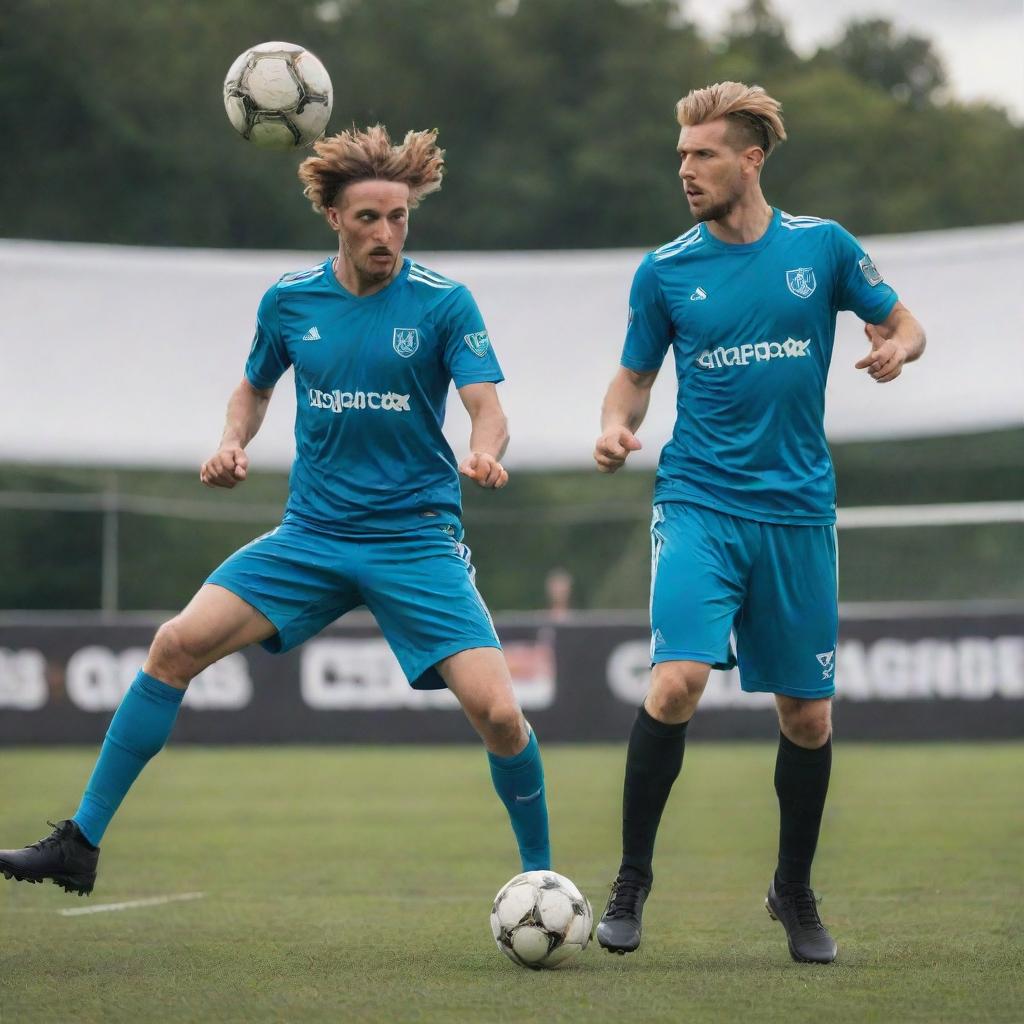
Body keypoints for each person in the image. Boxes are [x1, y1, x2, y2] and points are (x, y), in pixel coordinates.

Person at [0, 125, 550, 896]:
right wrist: (232, 442)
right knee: (172, 647)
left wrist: (485, 448)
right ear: (333, 216)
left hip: (414, 540)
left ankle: (541, 880)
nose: (387, 233)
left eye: (399, 217)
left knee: (498, 715)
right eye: (369, 218)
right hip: (313, 536)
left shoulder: (444, 303)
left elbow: (486, 405)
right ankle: (80, 843)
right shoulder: (291, 300)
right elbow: (254, 387)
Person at [592, 82, 925, 964]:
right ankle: (630, 883)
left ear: (751, 159)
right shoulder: (665, 269)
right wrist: (616, 424)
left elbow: (906, 322)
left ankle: (794, 891)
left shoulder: (822, 247)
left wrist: (896, 345)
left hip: (799, 513)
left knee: (807, 718)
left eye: (702, 155)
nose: (686, 170)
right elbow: (632, 376)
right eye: (680, 157)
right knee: (675, 685)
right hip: (699, 502)